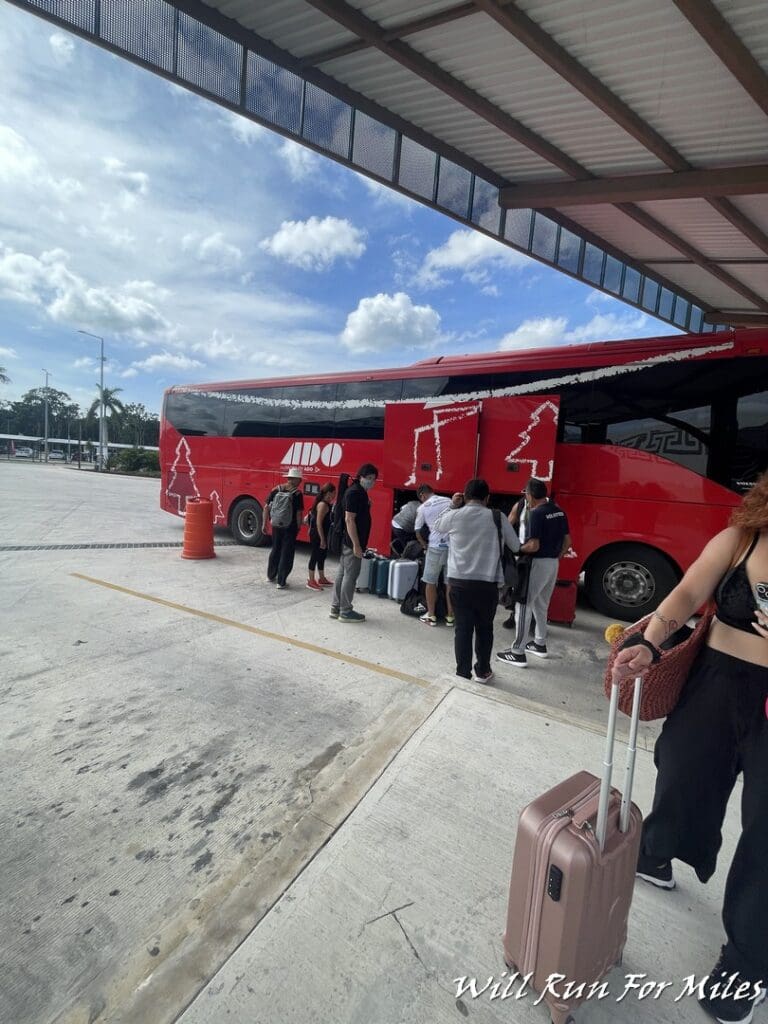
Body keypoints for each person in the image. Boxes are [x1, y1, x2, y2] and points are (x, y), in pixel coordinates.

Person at [612, 472, 768, 1024]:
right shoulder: (744, 538)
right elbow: (685, 593)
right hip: (717, 683)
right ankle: (658, 851)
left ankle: (746, 964)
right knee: (680, 772)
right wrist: (650, 644)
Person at [435, 479, 519, 683]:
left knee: (462, 629)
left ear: (464, 496)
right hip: (487, 584)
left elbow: (437, 526)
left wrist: (453, 505)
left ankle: (462, 673)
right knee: (484, 628)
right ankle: (483, 671)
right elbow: (515, 547)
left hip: (459, 584)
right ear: (487, 498)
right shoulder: (498, 517)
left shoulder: (454, 516)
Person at [496, 478, 570, 668]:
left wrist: (516, 550)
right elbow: (567, 542)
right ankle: (539, 643)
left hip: (535, 564)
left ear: (530, 495)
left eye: (526, 494)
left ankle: (517, 652)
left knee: (523, 604)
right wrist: (555, 557)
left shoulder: (535, 513)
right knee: (541, 604)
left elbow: (533, 545)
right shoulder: (559, 511)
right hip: (552, 563)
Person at [330, 463, 378, 623]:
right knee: (350, 576)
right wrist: (357, 545)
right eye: (368, 478)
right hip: (352, 542)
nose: (371, 481)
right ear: (360, 476)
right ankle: (345, 611)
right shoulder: (354, 493)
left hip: (349, 541)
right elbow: (349, 519)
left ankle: (336, 607)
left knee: (342, 573)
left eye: (373, 479)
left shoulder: (358, 492)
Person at [414, 484, 455, 626]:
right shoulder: (448, 501)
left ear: (422, 496)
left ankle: (431, 616)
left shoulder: (422, 507)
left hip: (435, 547)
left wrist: (424, 545)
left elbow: (418, 531)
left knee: (430, 582)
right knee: (449, 582)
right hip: (451, 547)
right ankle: (450, 617)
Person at [266, 467, 304, 589]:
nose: (300, 482)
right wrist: (298, 526)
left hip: (276, 524)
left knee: (276, 548)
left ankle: (271, 575)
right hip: (290, 526)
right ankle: (281, 581)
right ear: (295, 479)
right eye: (299, 479)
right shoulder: (297, 494)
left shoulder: (275, 490)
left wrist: (264, 523)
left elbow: (266, 507)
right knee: (286, 552)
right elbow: (298, 513)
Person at [306, 482, 336, 591]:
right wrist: (322, 539)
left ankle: (322, 578)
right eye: (333, 493)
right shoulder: (323, 505)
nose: (334, 496)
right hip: (317, 534)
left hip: (322, 533)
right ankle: (311, 580)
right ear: (328, 493)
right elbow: (319, 523)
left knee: (322, 555)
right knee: (315, 555)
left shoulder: (326, 504)